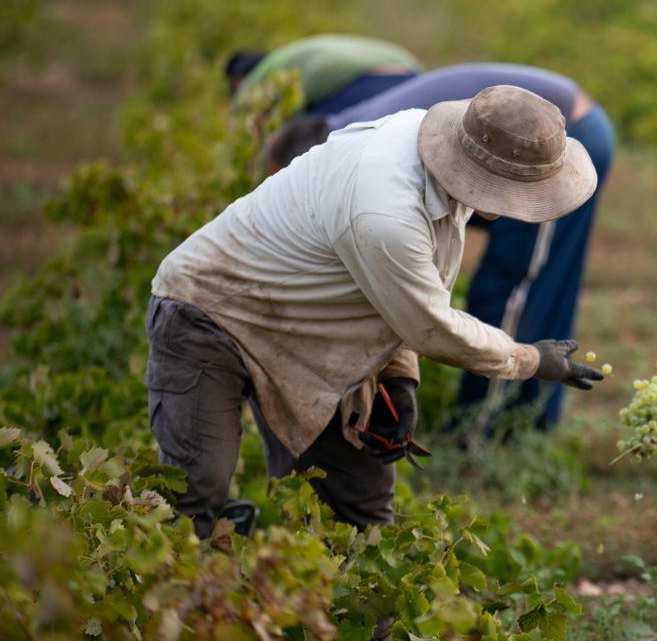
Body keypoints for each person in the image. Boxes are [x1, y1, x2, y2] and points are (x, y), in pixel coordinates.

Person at [144, 85, 605, 537]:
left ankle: (322, 606)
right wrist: (528, 359)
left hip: (315, 329)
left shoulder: (441, 156)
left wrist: (398, 380)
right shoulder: (387, 214)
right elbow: (431, 326)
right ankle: (197, 595)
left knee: (358, 508)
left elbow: (409, 297)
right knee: (195, 497)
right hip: (210, 310)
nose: (513, 212)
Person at [264, 63, 615, 434]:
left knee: (514, 289)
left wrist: (529, 359)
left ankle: (483, 432)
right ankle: (522, 419)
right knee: (524, 285)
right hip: (528, 137)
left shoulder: (366, 166)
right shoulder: (350, 138)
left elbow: (424, 314)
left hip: (555, 141)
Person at [224, 33, 422, 115]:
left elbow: (242, 115)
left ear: (239, 81)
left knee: (307, 136)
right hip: (412, 76)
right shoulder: (293, 54)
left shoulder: (259, 77)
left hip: (367, 83)